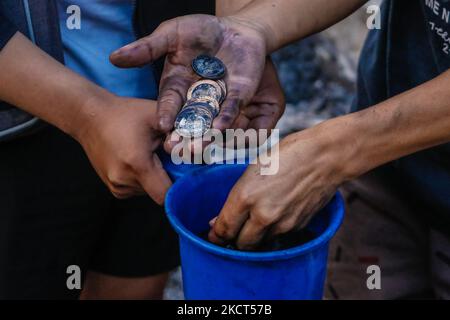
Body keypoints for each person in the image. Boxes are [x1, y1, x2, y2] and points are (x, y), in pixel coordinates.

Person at [112, 0, 450, 299]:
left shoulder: (339, 156)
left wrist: (334, 153)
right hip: (385, 165)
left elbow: (337, 153)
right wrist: (251, 29)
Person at [0, 0, 284, 299]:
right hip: (27, 112)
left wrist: (239, 34)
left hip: (173, 106)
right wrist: (84, 114)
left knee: (137, 279)